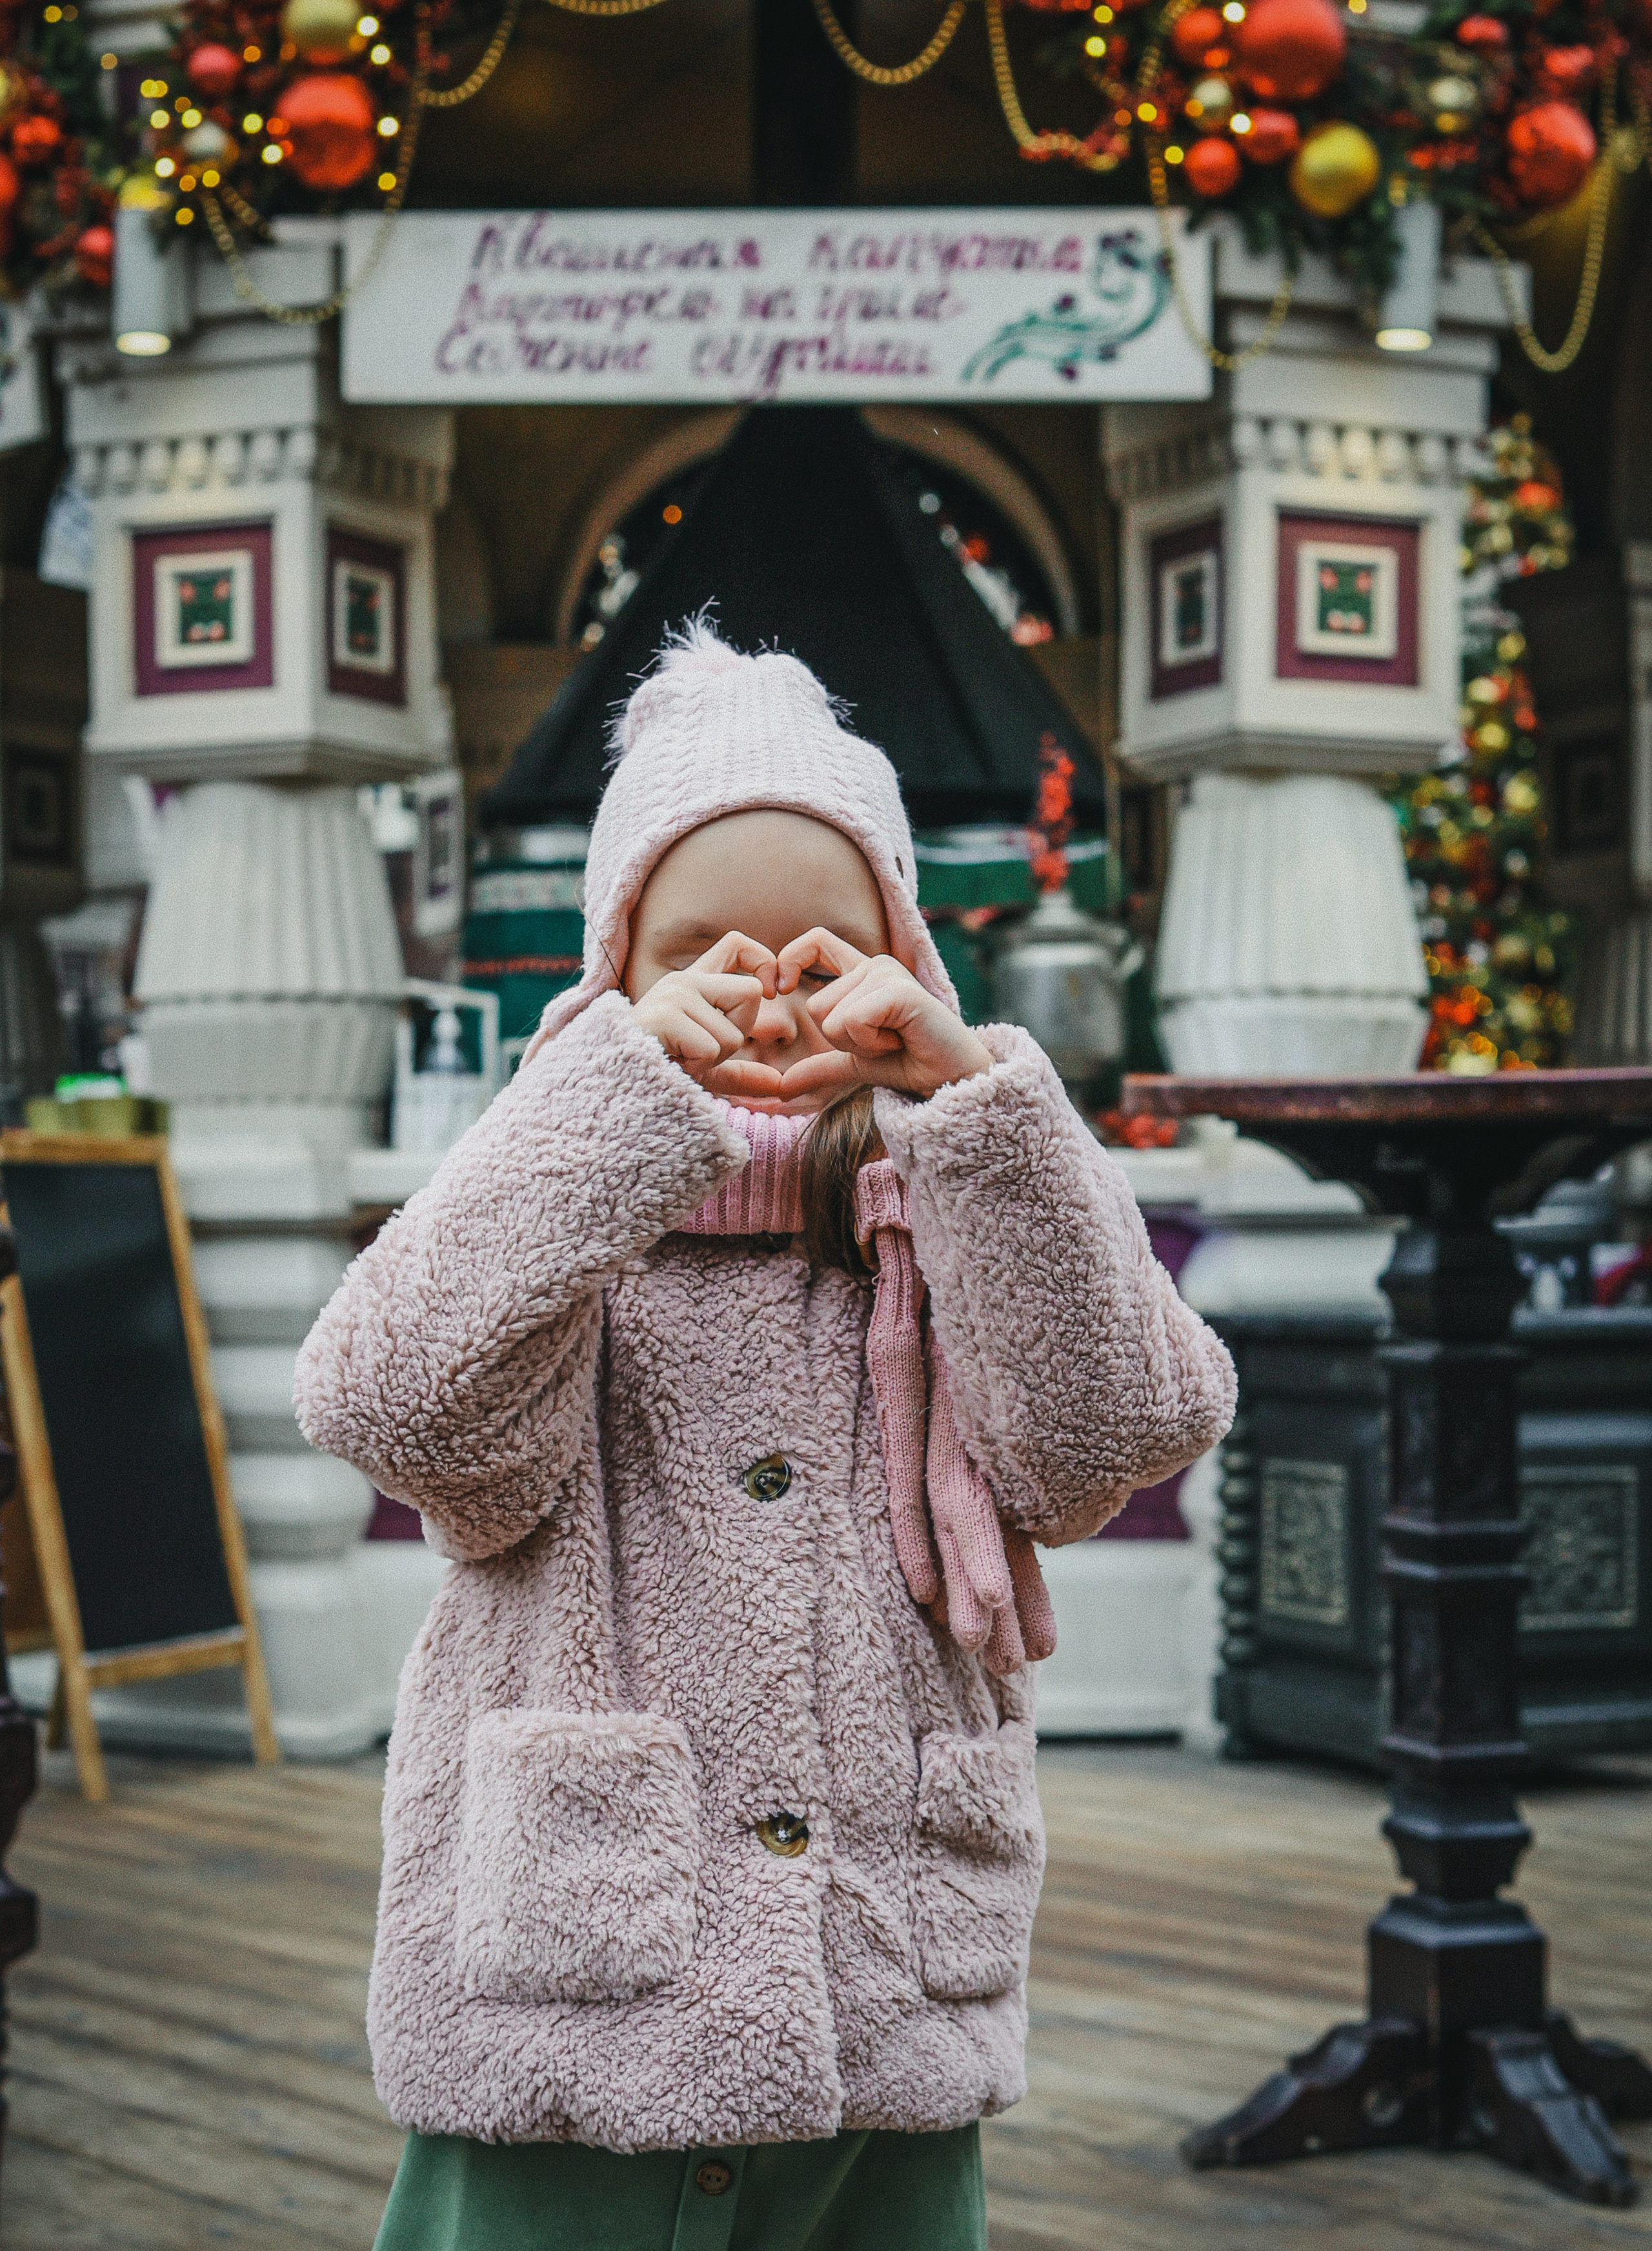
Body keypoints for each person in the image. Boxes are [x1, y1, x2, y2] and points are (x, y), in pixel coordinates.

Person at [295, 622, 1236, 2251]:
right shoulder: (549, 1208)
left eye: (827, 948)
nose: (769, 987)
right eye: (699, 949)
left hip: (884, 2003)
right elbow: (391, 1406)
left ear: (905, 961)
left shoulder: (957, 1203)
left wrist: (977, 1105)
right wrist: (605, 1108)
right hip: (580, 2007)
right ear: (611, 979)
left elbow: (1114, 1431)